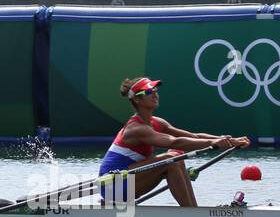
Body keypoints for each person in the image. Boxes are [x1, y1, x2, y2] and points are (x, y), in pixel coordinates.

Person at [99, 77, 250, 207]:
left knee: (175, 156)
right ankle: (192, 214)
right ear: (137, 99)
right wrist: (216, 142)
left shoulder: (157, 122)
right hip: (113, 186)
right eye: (149, 92)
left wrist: (228, 141)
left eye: (155, 91)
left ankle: (193, 211)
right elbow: (176, 142)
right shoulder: (136, 128)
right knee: (170, 159)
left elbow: (194, 136)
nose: (155, 94)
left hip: (128, 179)